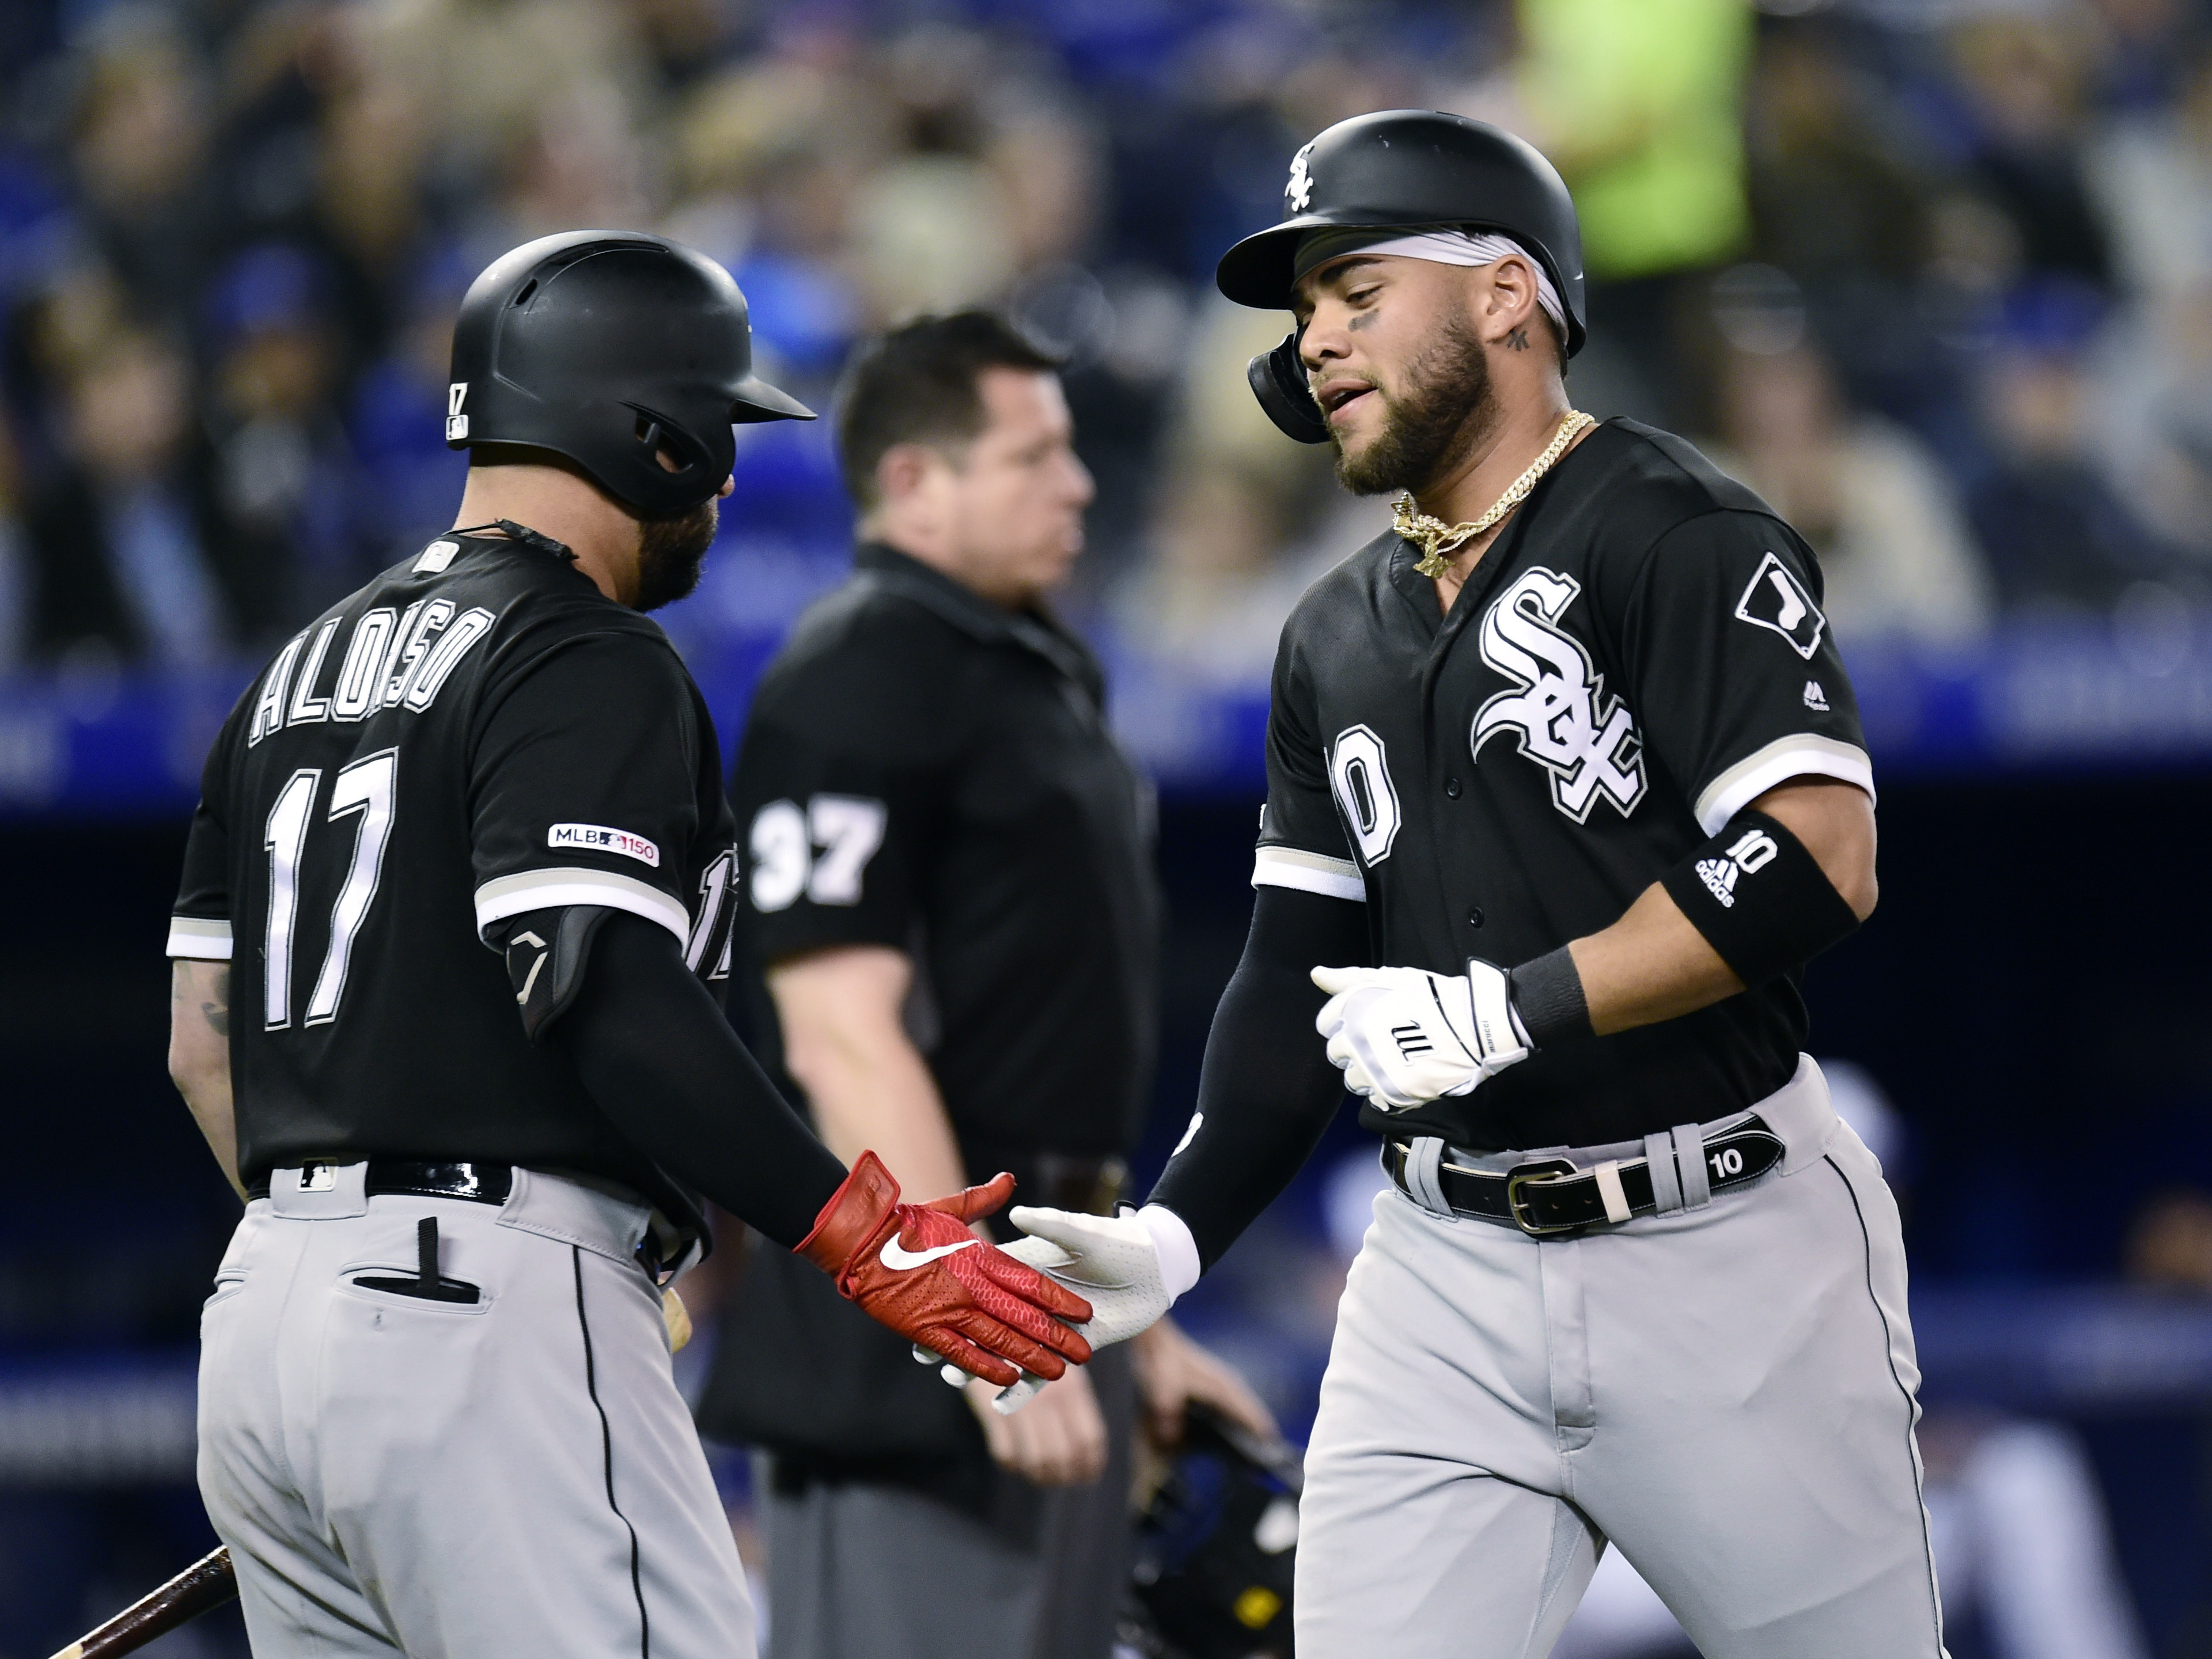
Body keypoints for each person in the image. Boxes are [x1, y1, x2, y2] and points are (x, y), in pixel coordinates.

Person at [1004, 111, 1941, 1657]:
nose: (1314, 341)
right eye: (1303, 310)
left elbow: (1818, 859)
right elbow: (1289, 971)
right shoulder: (1330, 632)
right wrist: (1174, 1240)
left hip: (1725, 1244)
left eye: (1356, 292)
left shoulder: (1676, 529)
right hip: (1441, 1264)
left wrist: (1511, 1011)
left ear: (1509, 295)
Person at [162, 232, 1091, 1659]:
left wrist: (332, 1277)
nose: (725, 477)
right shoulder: (577, 649)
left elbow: (201, 1039)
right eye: (713, 429)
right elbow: (604, 988)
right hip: (484, 1307)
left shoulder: (295, 668)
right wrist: (866, 1238)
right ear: (642, 431)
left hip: (264, 1317)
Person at [697, 310, 1271, 1659]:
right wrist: (974, 1325)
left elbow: (1039, 1045)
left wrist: (1121, 1327)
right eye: (1032, 457)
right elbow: (840, 1035)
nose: (1077, 486)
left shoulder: (1027, 666)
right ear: (914, 482)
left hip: (1036, 1289)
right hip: (913, 1325)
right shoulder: (857, 674)